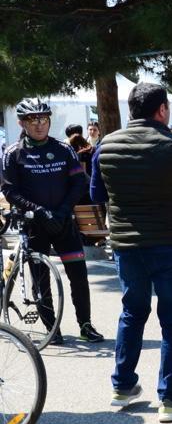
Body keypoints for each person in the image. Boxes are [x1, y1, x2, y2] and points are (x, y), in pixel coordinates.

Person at [90, 82, 172, 422]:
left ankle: (122, 385)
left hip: (127, 245)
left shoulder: (106, 146)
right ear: (162, 110)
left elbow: (96, 194)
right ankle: (170, 399)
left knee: (132, 312)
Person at [1, 99, 104, 345]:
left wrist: (62, 210)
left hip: (63, 221)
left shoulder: (63, 149)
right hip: (35, 224)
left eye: (43, 119)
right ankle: (51, 327)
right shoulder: (13, 153)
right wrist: (38, 211)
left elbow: (79, 182)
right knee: (41, 278)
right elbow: (10, 191)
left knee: (78, 275)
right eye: (32, 120)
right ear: (22, 123)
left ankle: (85, 324)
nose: (39, 124)